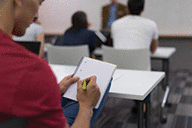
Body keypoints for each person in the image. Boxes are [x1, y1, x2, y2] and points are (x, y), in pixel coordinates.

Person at [0, 0, 110, 128]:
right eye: (39, 3)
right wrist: (87, 107)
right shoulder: (32, 69)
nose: (37, 16)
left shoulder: (66, 34)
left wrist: (53, 91)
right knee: (98, 81)